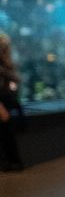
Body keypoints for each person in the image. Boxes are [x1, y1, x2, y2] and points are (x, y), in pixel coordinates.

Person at [0, 32, 23, 172]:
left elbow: (16, 80)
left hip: (5, 100)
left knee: (6, 131)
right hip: (2, 101)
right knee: (5, 131)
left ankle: (11, 161)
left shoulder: (7, 64)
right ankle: (9, 161)